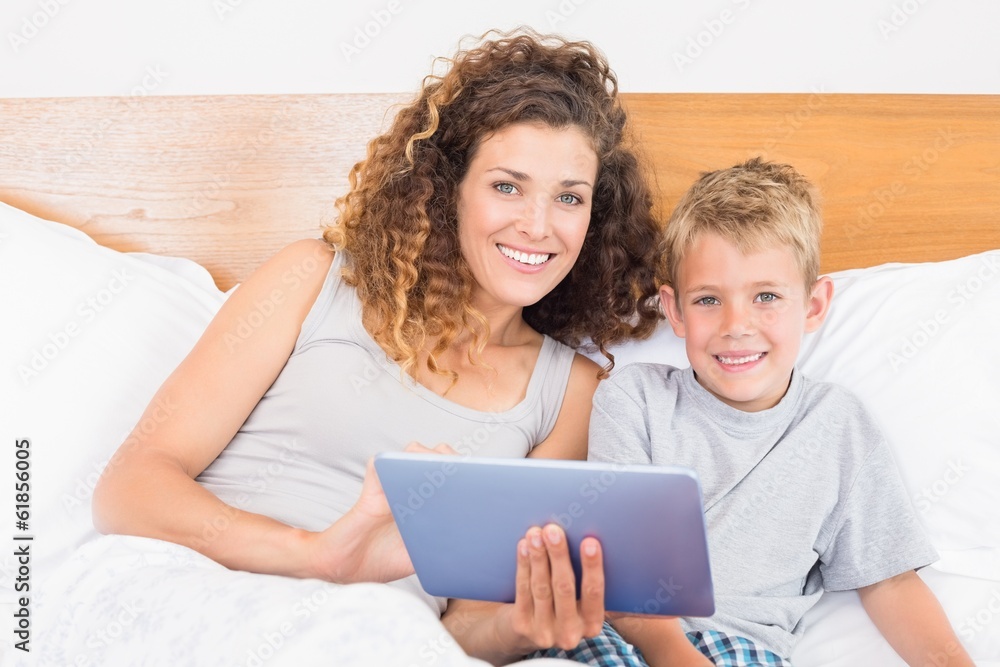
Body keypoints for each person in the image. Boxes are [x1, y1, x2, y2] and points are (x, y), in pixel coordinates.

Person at [88, 29, 662, 665]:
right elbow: (130, 486)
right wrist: (318, 556)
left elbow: (466, 628)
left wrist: (527, 628)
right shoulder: (311, 281)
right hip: (192, 593)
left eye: (568, 197)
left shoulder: (569, 394)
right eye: (506, 186)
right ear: (448, 189)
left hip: (377, 639)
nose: (537, 223)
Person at [540, 158, 975, 666]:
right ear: (675, 310)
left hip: (743, 650)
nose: (736, 325)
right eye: (708, 300)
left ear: (813, 306)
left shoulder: (838, 427)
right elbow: (620, 569)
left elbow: (891, 581)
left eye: (766, 296)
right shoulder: (634, 399)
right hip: (621, 635)